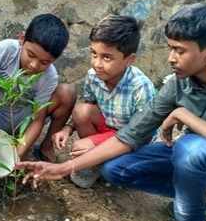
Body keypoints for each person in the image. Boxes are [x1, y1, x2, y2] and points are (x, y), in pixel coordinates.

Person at [17, 3, 206, 221]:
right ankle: (192, 200)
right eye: (170, 48)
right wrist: (64, 168)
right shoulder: (179, 81)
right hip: (190, 159)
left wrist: (182, 114)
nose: (171, 58)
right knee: (114, 168)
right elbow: (132, 134)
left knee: (191, 147)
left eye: (179, 50)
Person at [52, 15, 155, 188]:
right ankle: (95, 164)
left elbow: (143, 136)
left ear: (129, 60)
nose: (97, 64)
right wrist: (67, 129)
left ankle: (101, 161)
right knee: (81, 111)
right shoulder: (94, 76)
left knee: (81, 146)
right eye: (94, 54)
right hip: (108, 129)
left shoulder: (141, 88)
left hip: (133, 139)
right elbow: (88, 104)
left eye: (107, 57)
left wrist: (95, 144)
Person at [0, 13, 76, 161]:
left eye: (44, 62)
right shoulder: (7, 49)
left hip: (19, 123)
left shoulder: (49, 76)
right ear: (22, 39)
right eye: (30, 54)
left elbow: (37, 120)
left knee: (67, 92)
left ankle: (45, 148)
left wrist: (15, 159)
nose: (34, 65)